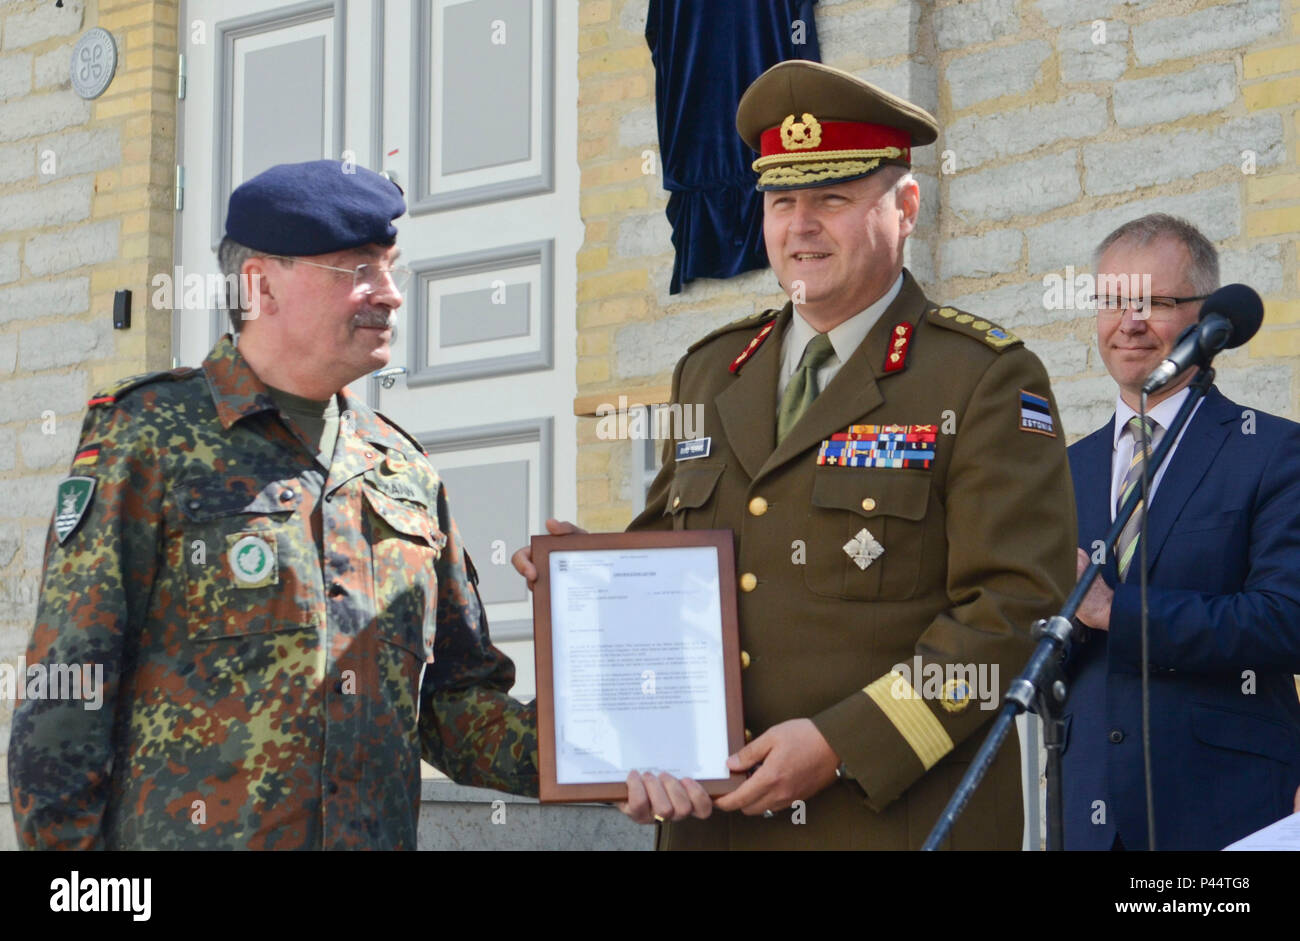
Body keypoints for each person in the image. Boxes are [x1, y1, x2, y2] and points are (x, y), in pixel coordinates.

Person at [515, 61, 1077, 849]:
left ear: (905, 206)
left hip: (889, 820)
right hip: (715, 824)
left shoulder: (981, 376)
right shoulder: (710, 370)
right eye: (782, 200)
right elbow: (675, 565)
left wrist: (847, 740)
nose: (799, 226)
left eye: (832, 199)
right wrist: (593, 587)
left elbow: (1015, 612)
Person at [8, 159, 538, 850]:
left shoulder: (402, 471)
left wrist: (606, 748)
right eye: (358, 271)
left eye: (391, 266)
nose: (391, 293)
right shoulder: (149, 438)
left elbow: (454, 704)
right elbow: (67, 698)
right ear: (260, 285)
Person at [1062, 213, 1300, 851]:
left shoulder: (1274, 450)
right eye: (1114, 302)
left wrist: (1116, 611)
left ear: (1206, 318)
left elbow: (1286, 622)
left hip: (1226, 810)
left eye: (1157, 302)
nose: (1130, 322)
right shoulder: (1059, 472)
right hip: (1082, 812)